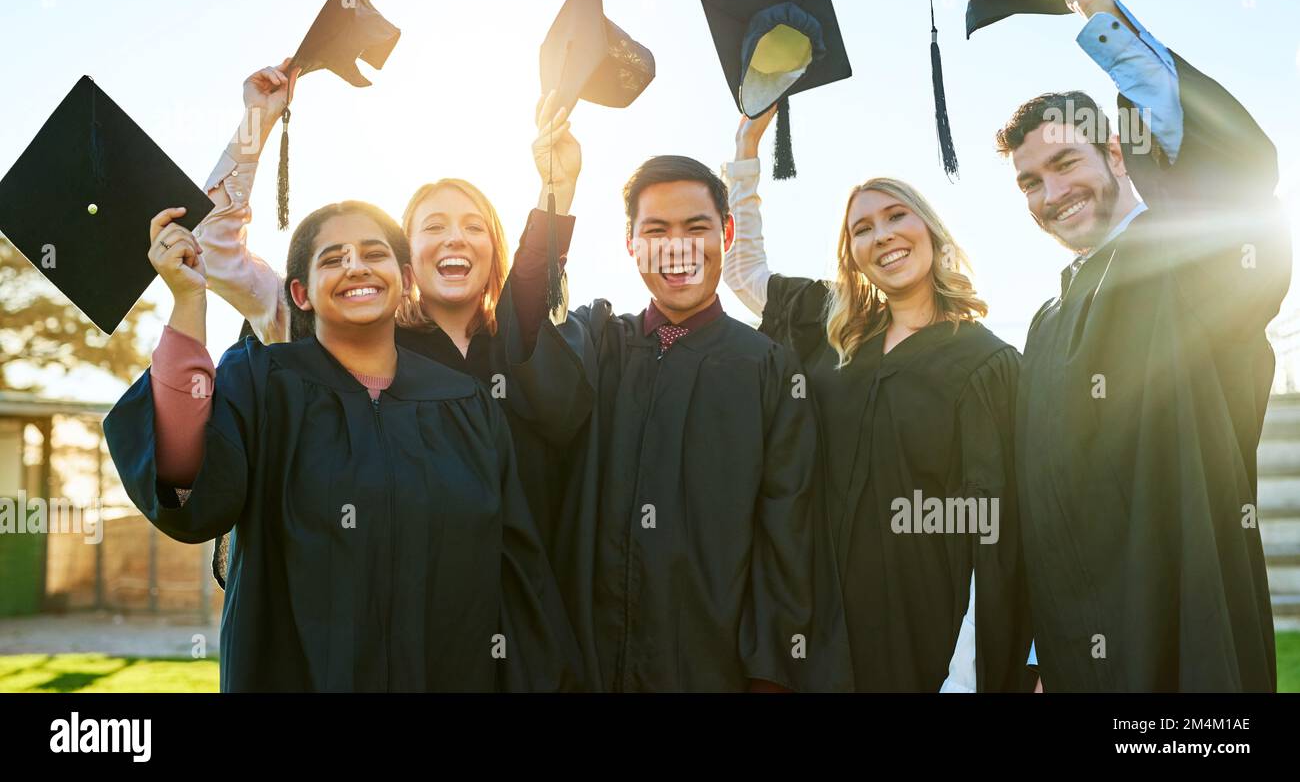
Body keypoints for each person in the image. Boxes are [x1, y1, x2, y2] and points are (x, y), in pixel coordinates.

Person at [102, 201, 580, 691]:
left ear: (405, 279)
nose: (355, 266)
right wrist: (188, 300)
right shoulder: (264, 382)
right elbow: (183, 471)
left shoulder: (465, 404)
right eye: (333, 259)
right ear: (300, 294)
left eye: (374, 254)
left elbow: (517, 568)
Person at [1000, 0, 1290, 691]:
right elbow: (1044, 499)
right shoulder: (1046, 323)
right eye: (1031, 181)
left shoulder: (1184, 265)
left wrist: (1102, 17)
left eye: (1066, 163)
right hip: (1076, 650)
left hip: (1185, 631)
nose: (1050, 192)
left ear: (1117, 156)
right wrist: (1037, 652)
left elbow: (1237, 183)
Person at [492, 136, 852, 691]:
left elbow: (790, 537)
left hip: (712, 671)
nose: (677, 247)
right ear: (631, 244)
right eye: (656, 231)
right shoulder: (602, 343)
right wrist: (555, 197)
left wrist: (768, 679)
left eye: (697, 227)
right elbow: (530, 345)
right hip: (588, 666)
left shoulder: (770, 370)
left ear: (726, 235)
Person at [195, 63, 586, 555]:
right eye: (434, 226)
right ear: (404, 263)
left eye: (473, 226)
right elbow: (216, 254)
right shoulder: (360, 341)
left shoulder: (527, 352)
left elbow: (536, 275)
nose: (454, 238)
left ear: (496, 250)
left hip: (518, 606)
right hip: (394, 602)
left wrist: (559, 184)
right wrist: (257, 121)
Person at [721, 110, 1031, 691]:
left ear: (930, 230)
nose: (881, 234)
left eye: (895, 216)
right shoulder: (832, 326)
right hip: (819, 613)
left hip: (926, 622)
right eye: (862, 228)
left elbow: (1002, 526)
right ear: (852, 252)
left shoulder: (987, 363)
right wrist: (746, 149)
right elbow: (743, 271)